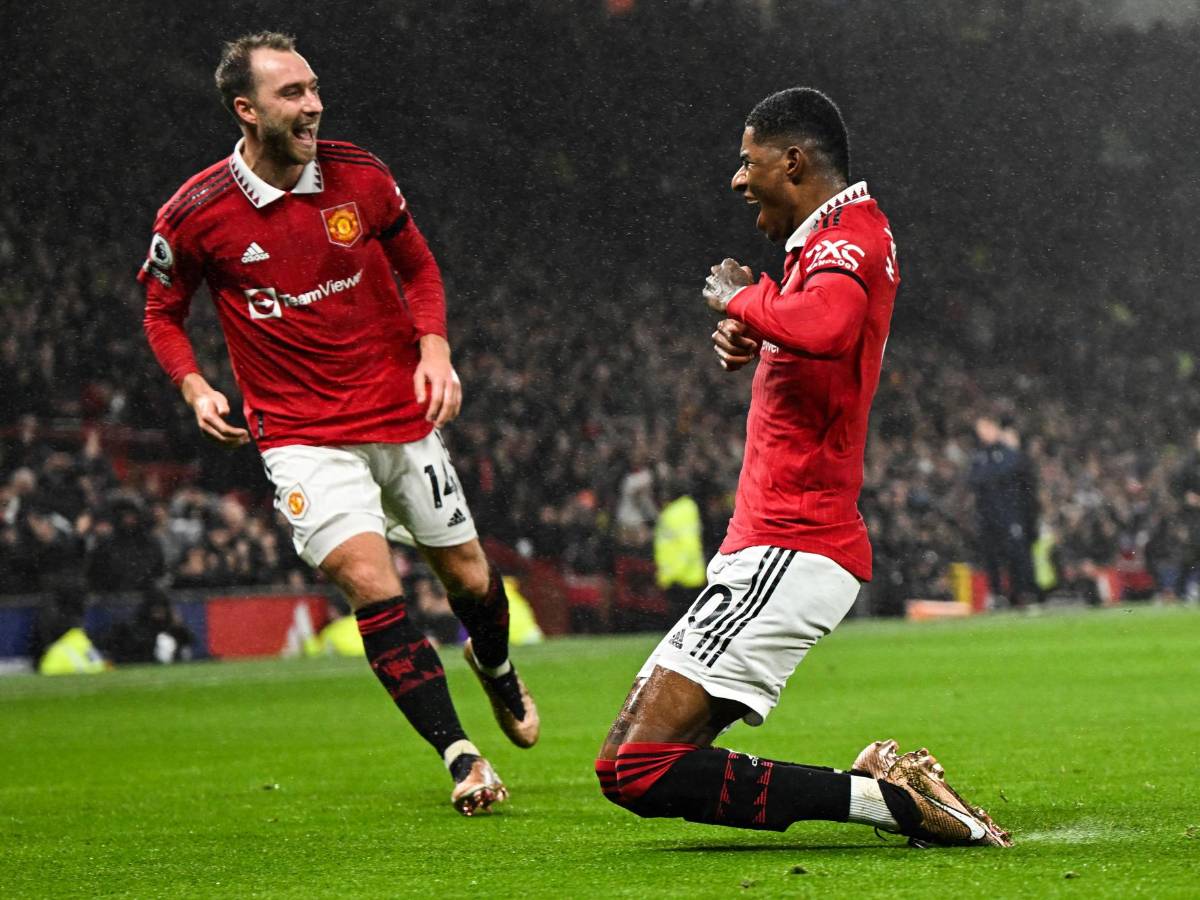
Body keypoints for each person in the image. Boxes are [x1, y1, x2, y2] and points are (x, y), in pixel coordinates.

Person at [595, 88, 1010, 848]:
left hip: (795, 542)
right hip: (769, 543)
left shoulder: (848, 237)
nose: (736, 178)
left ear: (793, 161)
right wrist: (756, 333)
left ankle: (892, 803)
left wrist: (746, 297)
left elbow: (826, 324)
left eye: (747, 162)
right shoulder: (825, 243)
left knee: (640, 767)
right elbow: (812, 332)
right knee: (631, 763)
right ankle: (886, 797)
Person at [138, 32, 538, 816]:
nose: (314, 104)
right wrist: (192, 386)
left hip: (399, 416)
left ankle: (492, 665)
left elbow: (418, 266)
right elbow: (161, 310)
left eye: (314, 87)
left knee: (469, 579)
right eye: (292, 94)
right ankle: (461, 757)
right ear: (245, 110)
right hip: (299, 438)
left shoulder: (361, 176)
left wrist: (435, 348)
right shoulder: (195, 214)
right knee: (370, 582)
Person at [968, 416, 1037, 607]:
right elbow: (973, 479)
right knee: (991, 557)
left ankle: (1022, 593)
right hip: (988, 515)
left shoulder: (1008, 453)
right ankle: (998, 594)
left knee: (1016, 554)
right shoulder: (979, 455)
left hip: (1010, 514)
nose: (982, 433)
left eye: (985, 427)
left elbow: (1015, 471)